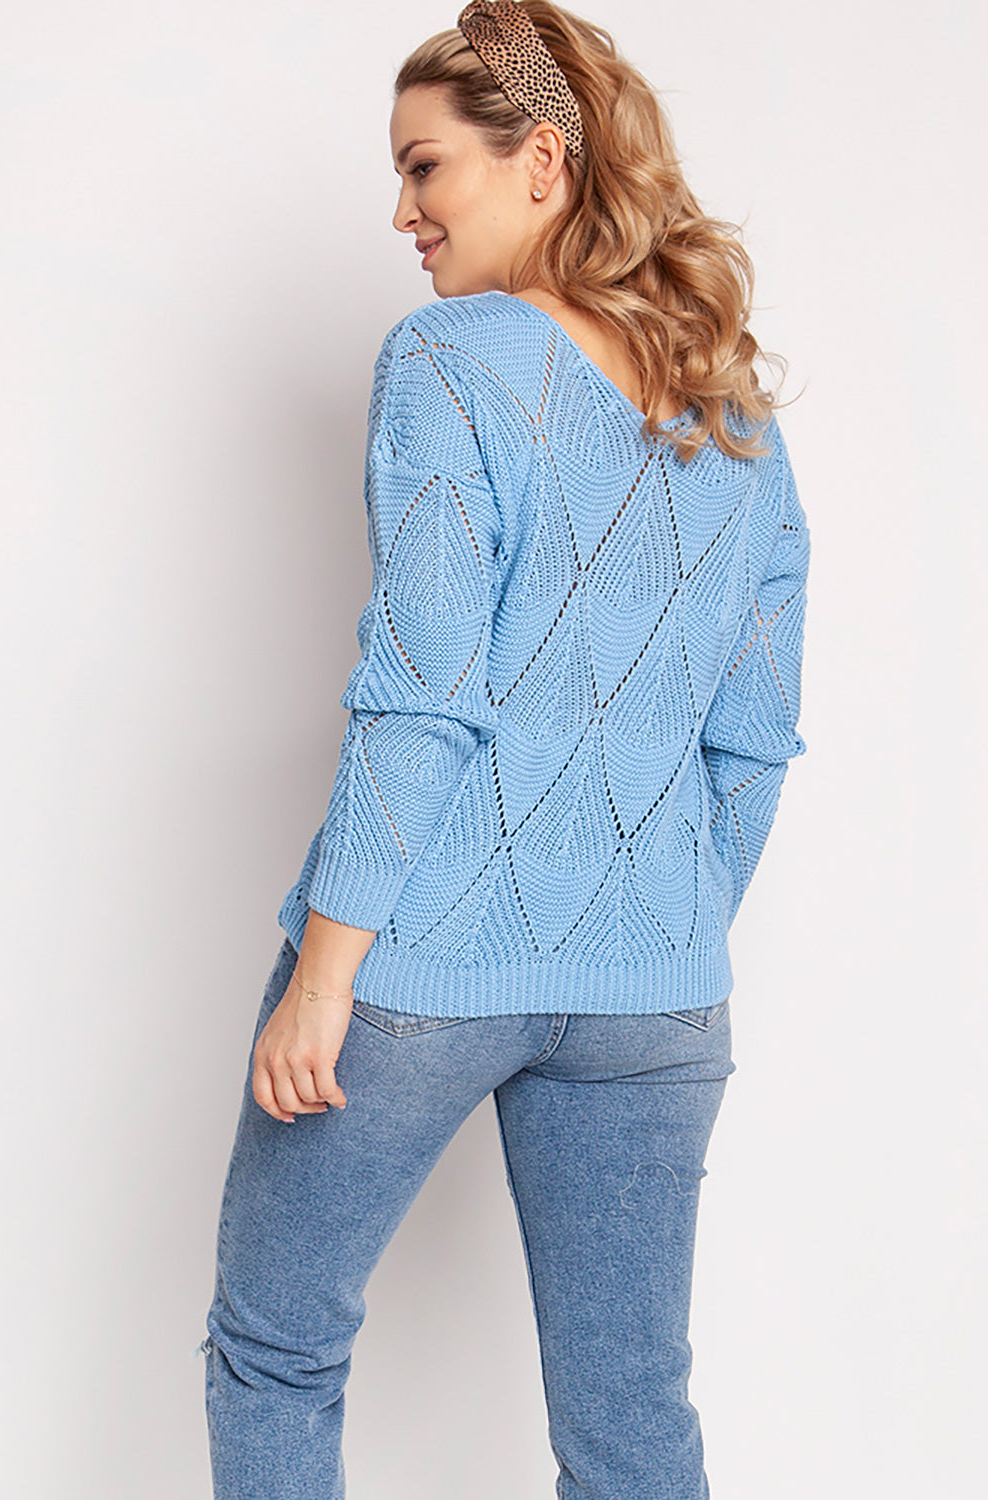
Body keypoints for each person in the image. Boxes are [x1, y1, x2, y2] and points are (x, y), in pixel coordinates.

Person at [199, 3, 811, 1496]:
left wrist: (324, 979)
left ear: (541, 159)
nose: (403, 211)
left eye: (426, 168)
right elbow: (750, 741)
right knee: (632, 1418)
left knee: (276, 1350)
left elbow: (420, 695)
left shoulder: (449, 360)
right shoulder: (735, 411)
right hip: (660, 992)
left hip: (416, 965)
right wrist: (652, 931)